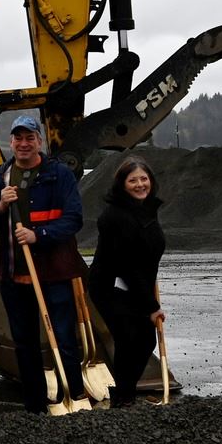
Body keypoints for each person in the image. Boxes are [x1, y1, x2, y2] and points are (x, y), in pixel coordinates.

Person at [0, 114, 86, 413]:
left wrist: (39, 235)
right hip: (14, 275)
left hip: (55, 272)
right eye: (18, 138)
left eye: (29, 138)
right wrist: (0, 205)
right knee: (25, 343)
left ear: (39, 141)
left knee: (64, 337)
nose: (24, 144)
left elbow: (74, 219)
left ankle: (72, 396)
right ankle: (35, 405)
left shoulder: (59, 175)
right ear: (11, 142)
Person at [88, 155, 165, 407]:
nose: (140, 184)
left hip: (136, 284)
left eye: (144, 179)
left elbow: (146, 255)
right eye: (133, 180)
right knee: (130, 337)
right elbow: (127, 265)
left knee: (144, 339)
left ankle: (125, 393)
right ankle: (123, 398)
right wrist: (152, 307)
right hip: (110, 287)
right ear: (122, 184)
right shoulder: (114, 217)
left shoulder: (147, 210)